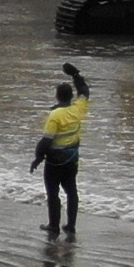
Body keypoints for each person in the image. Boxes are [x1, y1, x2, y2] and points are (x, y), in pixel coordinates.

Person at [32, 62, 90, 236]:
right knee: (72, 191)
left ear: (57, 96)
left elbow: (46, 141)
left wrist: (37, 158)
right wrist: (76, 75)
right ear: (71, 97)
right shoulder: (78, 110)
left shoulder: (55, 115)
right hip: (71, 159)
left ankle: (54, 226)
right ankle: (70, 226)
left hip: (54, 161)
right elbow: (85, 91)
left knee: (53, 193)